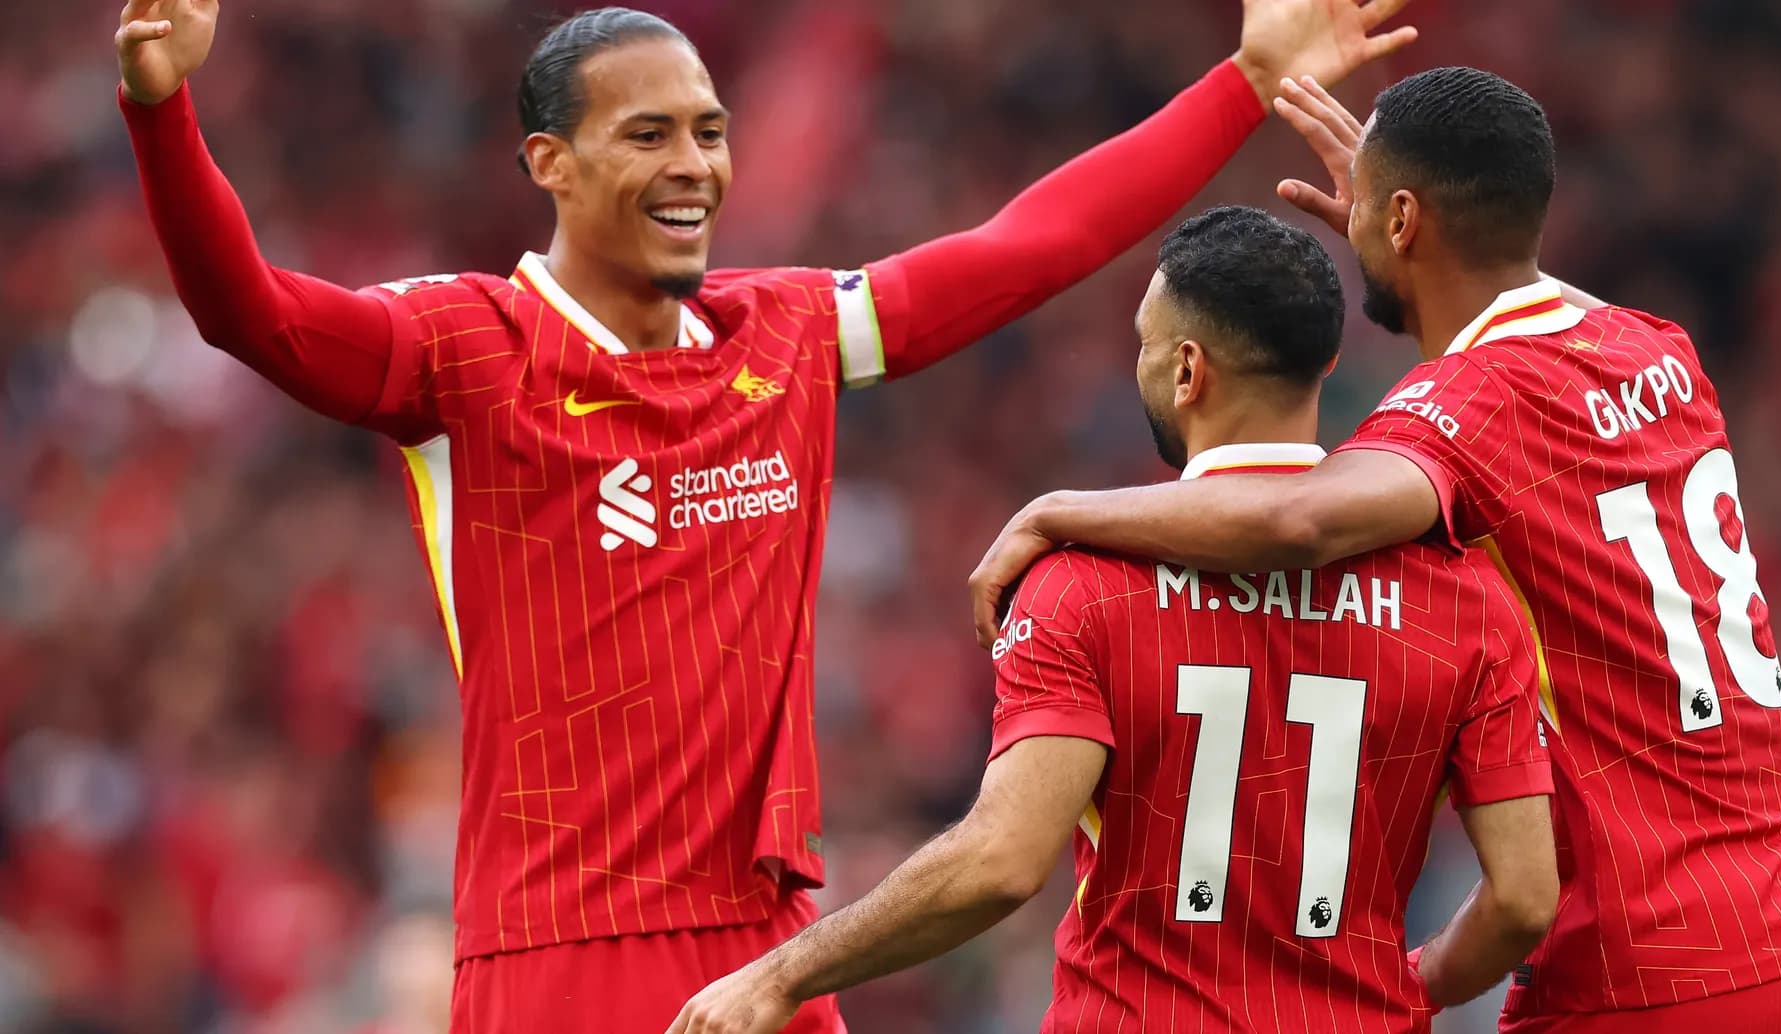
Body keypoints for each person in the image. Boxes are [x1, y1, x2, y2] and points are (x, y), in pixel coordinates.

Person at [112, 0, 1424, 1029]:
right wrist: (162, 109)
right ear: (548, 163)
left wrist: (1242, 83)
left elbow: (1030, 246)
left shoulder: (785, 330)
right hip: (565, 947)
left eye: (711, 129)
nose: (695, 165)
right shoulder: (470, 348)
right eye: (650, 134)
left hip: (774, 944)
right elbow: (254, 314)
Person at [967, 71, 1781, 1032]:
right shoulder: (1659, 347)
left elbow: (1298, 522)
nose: (1352, 222)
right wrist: (1410, 227)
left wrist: (1058, 513)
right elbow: (1524, 285)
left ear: (1404, 220)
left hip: (1649, 961)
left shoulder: (1457, 415)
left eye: (1366, 208)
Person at [667, 206, 1558, 1034]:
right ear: (1324, 364)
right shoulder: (1463, 597)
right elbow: (1522, 896)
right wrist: (1400, 994)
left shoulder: (1084, 582)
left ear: (1186, 370)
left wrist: (780, 975)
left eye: (1144, 344)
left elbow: (1001, 862)